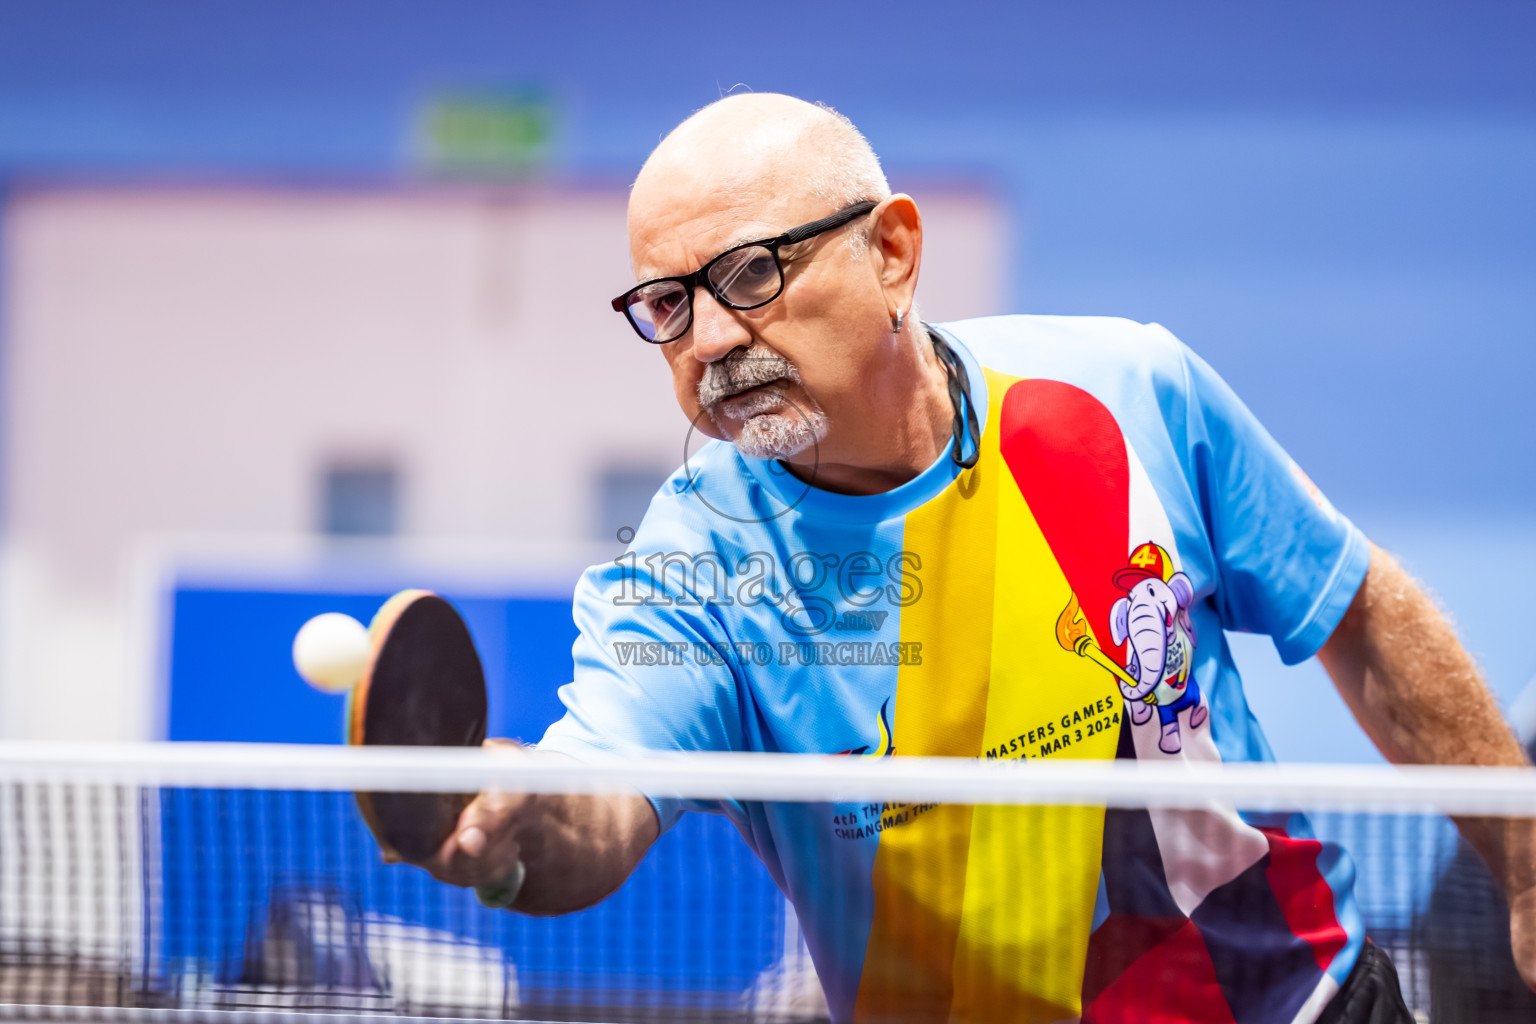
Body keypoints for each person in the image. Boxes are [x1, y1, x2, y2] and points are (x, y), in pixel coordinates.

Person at [416, 93, 1535, 1022]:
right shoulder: (691, 572)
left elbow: (1359, 608)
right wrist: (516, 822)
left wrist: (1525, 864)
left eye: (751, 274)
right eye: (668, 304)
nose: (708, 340)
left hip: (1296, 1000)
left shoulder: (1126, 390)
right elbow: (600, 800)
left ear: (893, 252)